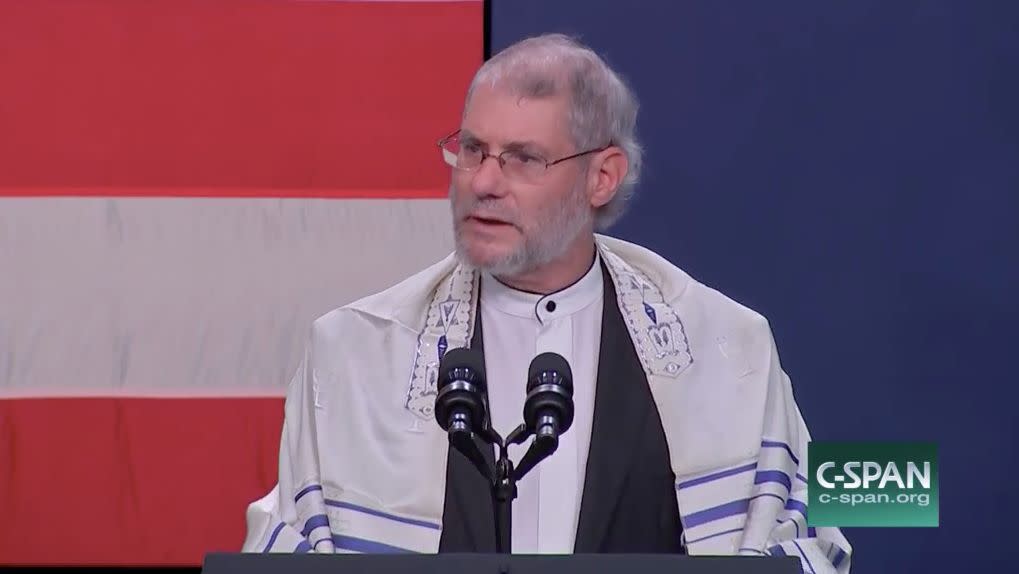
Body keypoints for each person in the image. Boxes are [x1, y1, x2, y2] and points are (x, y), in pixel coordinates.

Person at [242, 33, 852, 572]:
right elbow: (288, 545)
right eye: (473, 150)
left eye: (524, 158)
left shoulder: (725, 349)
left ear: (602, 177)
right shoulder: (355, 354)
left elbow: (807, 538)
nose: (483, 181)